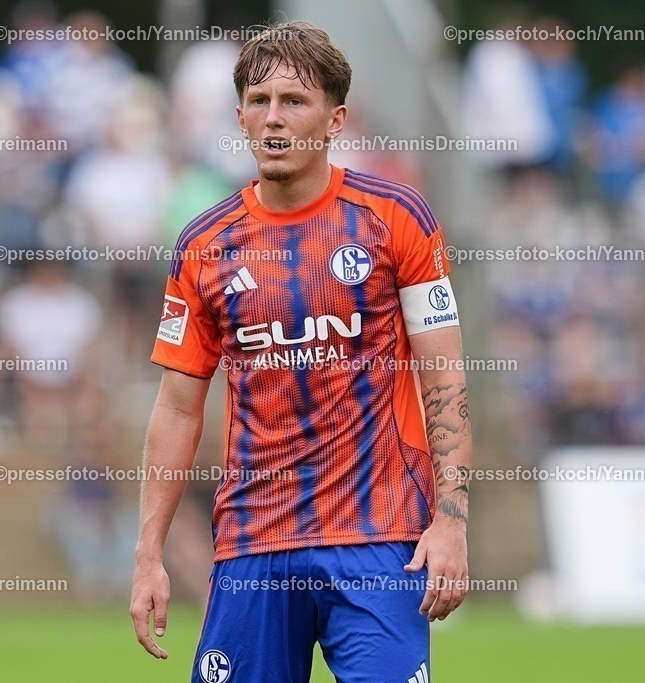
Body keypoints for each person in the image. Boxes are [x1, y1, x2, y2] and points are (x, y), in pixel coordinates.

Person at [130, 21, 473, 682]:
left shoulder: (397, 217)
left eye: (294, 101)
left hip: (378, 543)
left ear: (335, 119)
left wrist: (451, 522)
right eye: (259, 102)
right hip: (254, 547)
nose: (274, 118)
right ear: (240, 118)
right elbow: (177, 409)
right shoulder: (204, 243)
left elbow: (445, 378)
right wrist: (149, 551)